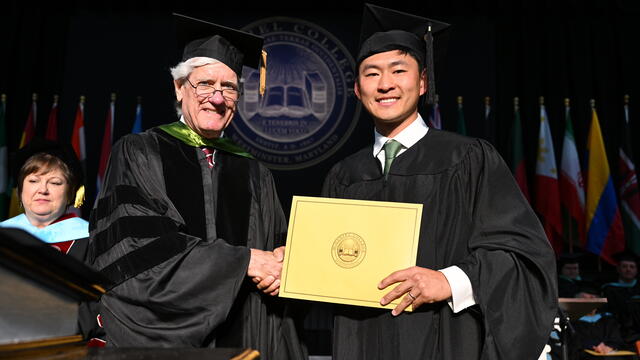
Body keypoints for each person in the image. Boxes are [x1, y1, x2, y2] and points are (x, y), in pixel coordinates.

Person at [321, 4, 557, 359]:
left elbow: (523, 256)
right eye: (371, 74)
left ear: (422, 82)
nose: (385, 84)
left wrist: (450, 281)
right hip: (362, 339)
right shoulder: (344, 175)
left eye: (398, 71)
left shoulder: (468, 159)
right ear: (356, 89)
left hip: (448, 338)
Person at [85, 14, 305, 358]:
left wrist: (283, 263)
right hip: (167, 343)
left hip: (243, 339)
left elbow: (274, 251)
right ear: (179, 87)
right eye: (205, 84)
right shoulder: (140, 152)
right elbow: (138, 252)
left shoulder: (255, 173)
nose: (217, 98)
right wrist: (243, 261)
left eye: (229, 87)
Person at [0, 138, 88, 260]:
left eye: (55, 183)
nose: (43, 190)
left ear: (70, 194)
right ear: (20, 191)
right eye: (33, 181)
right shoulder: (4, 234)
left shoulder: (90, 240)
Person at [602, 251, 640, 341]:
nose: (628, 269)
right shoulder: (609, 289)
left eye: (632, 267)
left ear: (637, 270)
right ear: (618, 269)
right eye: (624, 266)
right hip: (618, 332)